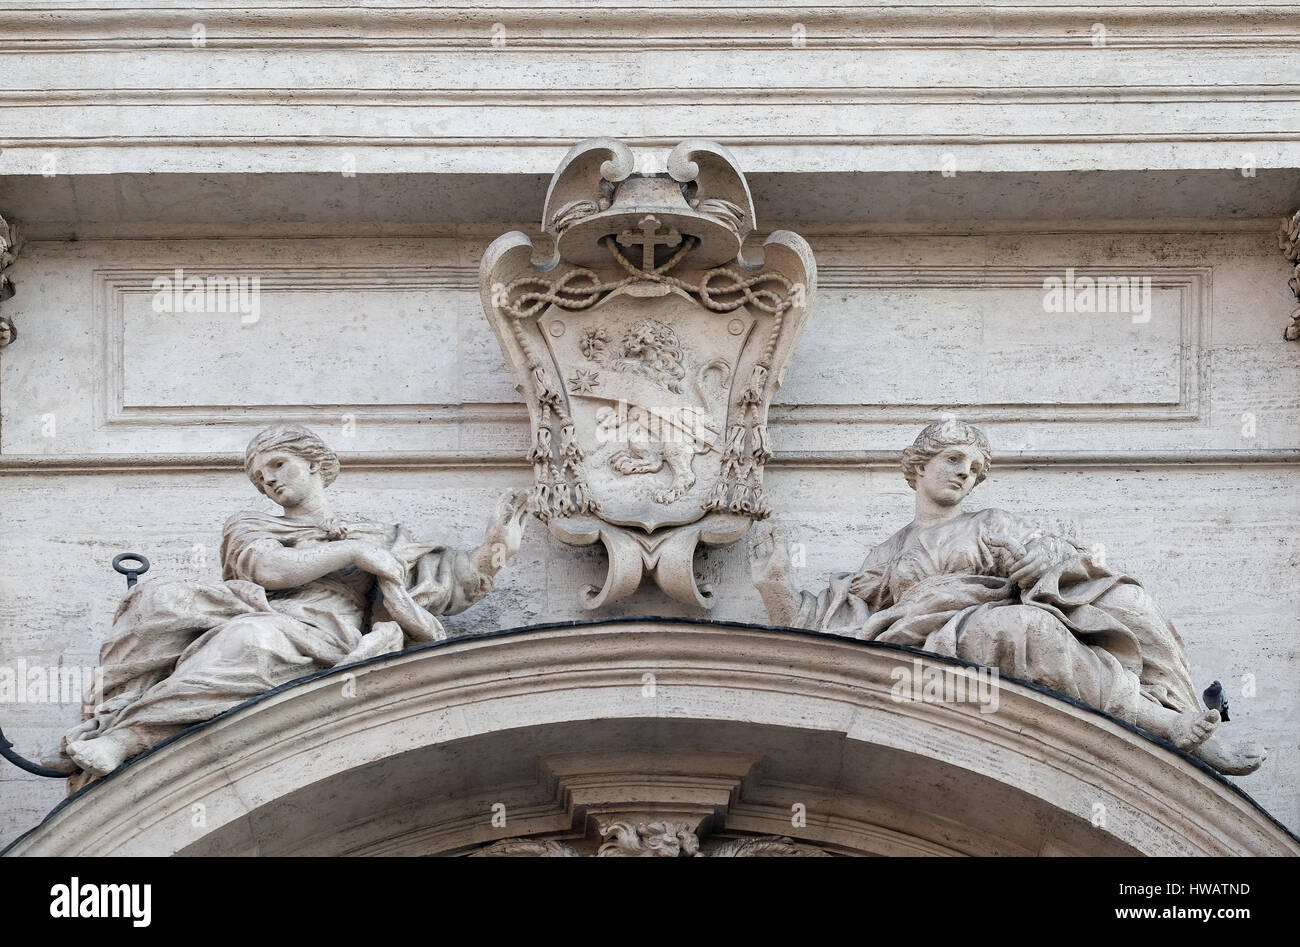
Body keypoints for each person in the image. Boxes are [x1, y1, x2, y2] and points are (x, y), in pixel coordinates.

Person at [749, 418, 1265, 775]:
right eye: (952, 460)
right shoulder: (889, 550)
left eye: (972, 470)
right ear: (919, 466)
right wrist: (775, 586)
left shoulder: (991, 523)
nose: (962, 474)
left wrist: (1042, 565)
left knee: (1030, 627)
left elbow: (1055, 555)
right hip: (919, 637)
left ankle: (1170, 723)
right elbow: (847, 618)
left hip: (978, 620)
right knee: (1017, 629)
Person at [59, 424, 528, 782]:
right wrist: (351, 553)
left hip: (341, 635)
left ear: (316, 464)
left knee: (255, 640)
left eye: (279, 465)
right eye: (261, 478)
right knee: (251, 637)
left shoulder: (383, 537)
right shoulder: (251, 526)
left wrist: (495, 548)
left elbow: (449, 586)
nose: (269, 481)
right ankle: (128, 736)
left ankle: (129, 736)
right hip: (277, 618)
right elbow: (269, 570)